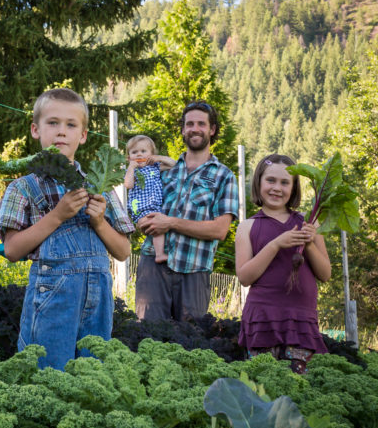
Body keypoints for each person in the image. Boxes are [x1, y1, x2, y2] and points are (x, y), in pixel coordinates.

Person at [0, 88, 134, 370]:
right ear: (35, 129)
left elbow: (123, 251)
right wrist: (57, 215)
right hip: (50, 305)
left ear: (82, 135)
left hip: (98, 304)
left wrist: (99, 221)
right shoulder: (23, 187)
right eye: (52, 123)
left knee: (92, 381)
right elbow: (11, 250)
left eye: (71, 125)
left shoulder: (100, 186)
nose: (61, 132)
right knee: (47, 376)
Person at [135, 100, 239, 322]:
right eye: (189, 124)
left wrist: (170, 223)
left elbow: (220, 230)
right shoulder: (162, 171)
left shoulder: (224, 176)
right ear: (183, 130)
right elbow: (142, 209)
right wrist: (142, 221)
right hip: (153, 266)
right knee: (147, 341)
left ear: (212, 130)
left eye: (201, 124)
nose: (194, 129)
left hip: (194, 271)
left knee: (190, 343)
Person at [236, 154, 330, 373]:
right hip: (262, 320)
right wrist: (276, 244)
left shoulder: (309, 222)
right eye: (270, 180)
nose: (277, 188)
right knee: (264, 385)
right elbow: (244, 277)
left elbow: (325, 274)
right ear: (259, 182)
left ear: (294, 188)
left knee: (300, 388)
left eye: (285, 182)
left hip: (301, 320)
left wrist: (309, 244)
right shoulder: (247, 227)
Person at [124, 134, 176, 263]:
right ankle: (159, 255)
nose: (139, 155)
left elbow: (174, 164)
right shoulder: (132, 171)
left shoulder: (155, 167)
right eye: (134, 152)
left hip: (155, 206)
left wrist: (158, 158)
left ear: (151, 154)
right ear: (129, 157)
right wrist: (131, 167)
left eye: (143, 151)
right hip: (142, 208)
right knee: (157, 227)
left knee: (158, 228)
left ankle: (157, 252)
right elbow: (128, 184)